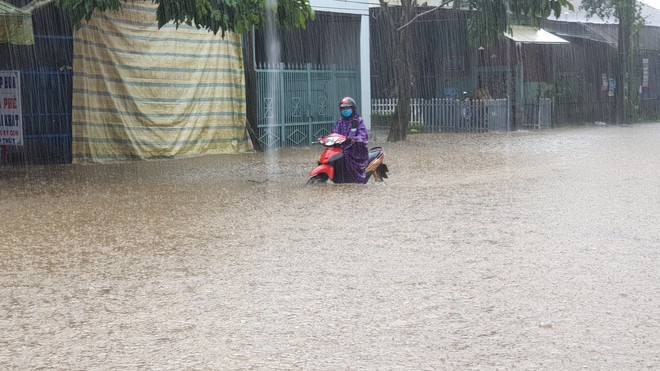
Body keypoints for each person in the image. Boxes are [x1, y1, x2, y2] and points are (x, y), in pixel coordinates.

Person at [331, 96, 369, 184]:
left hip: (356, 150)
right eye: (343, 108)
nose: (345, 110)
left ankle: (353, 181)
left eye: (347, 108)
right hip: (341, 148)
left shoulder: (358, 121)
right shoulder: (340, 122)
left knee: (346, 156)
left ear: (352, 108)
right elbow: (334, 133)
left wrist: (354, 139)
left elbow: (363, 135)